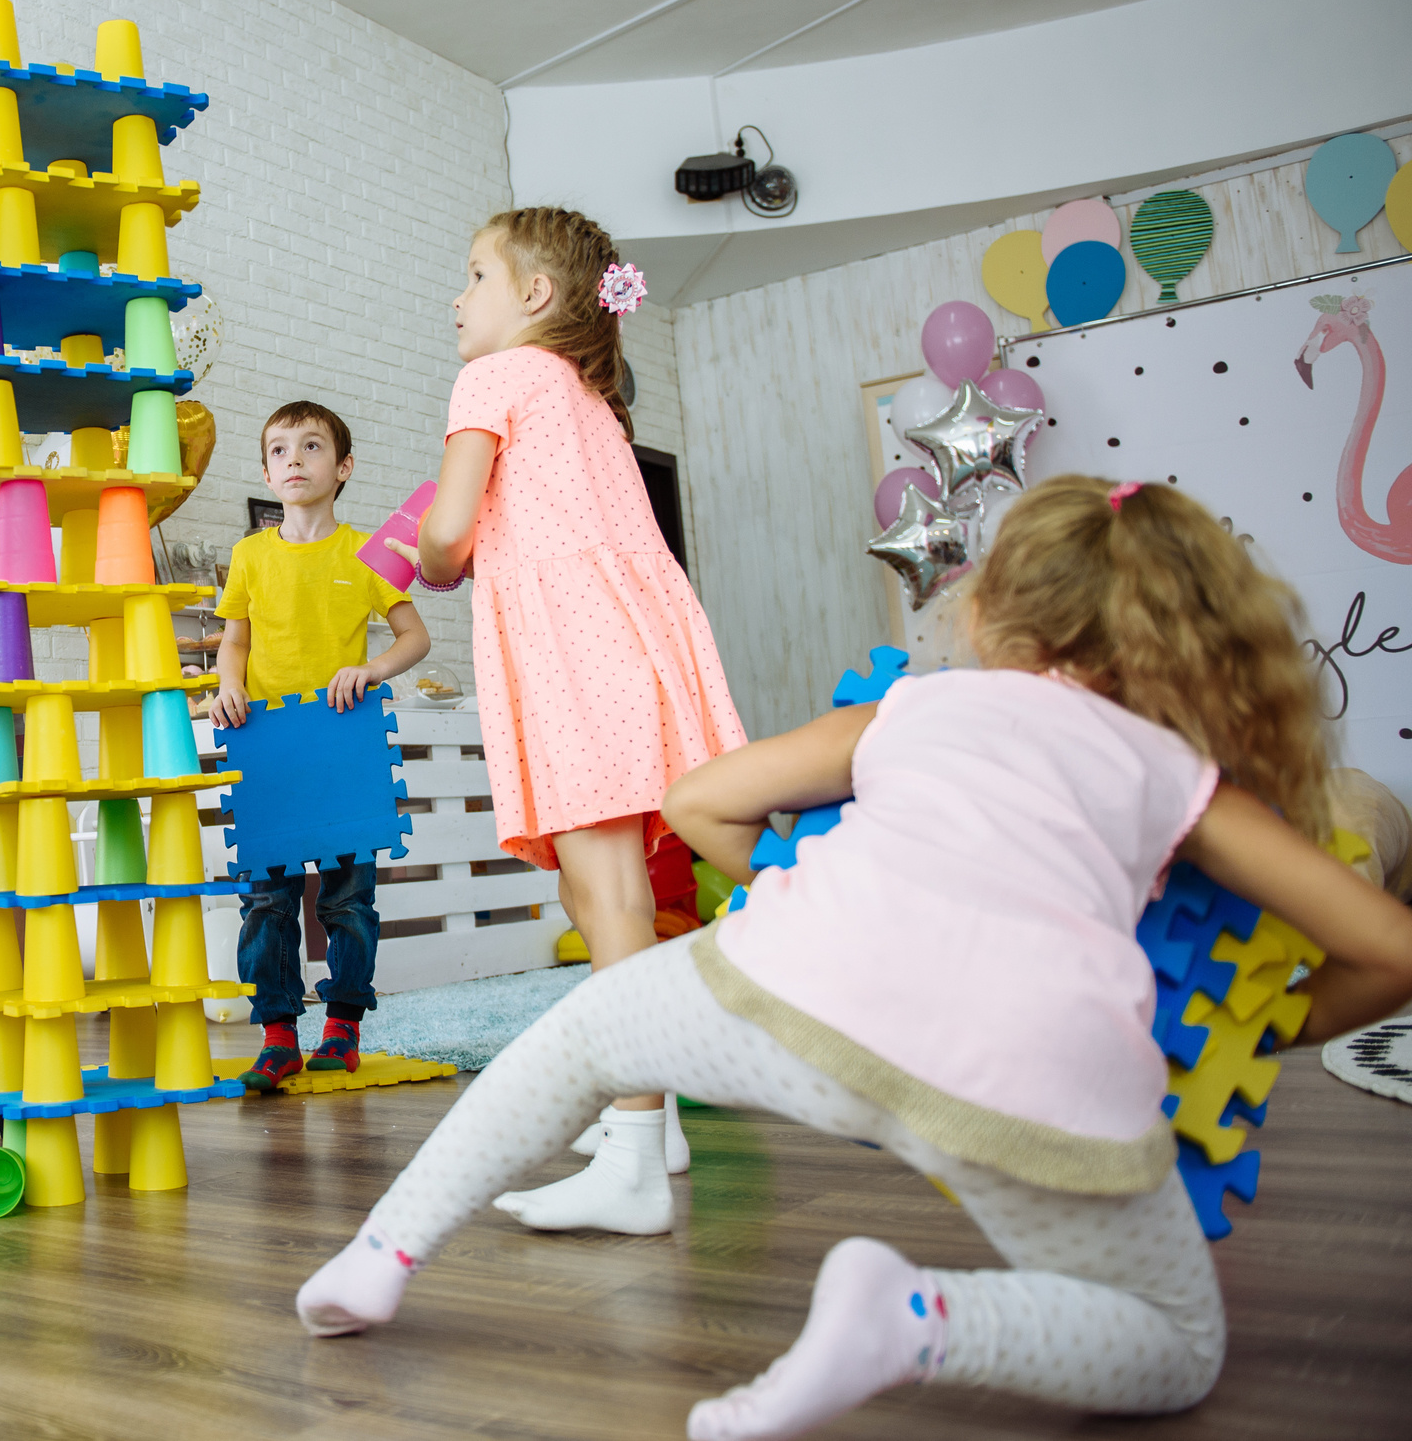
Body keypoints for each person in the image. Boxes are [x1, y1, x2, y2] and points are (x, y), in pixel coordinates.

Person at [298, 477, 1412, 1439]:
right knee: (1177, 1341)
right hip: (1028, 1068)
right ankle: (914, 1319)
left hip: (794, 984)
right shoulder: (1181, 778)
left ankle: (379, 1254)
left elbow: (697, 800)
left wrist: (792, 883)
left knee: (581, 1036)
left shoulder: (915, 705)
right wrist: (1276, 1024)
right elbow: (1388, 946)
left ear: (990, 610)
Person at [379, 207, 745, 1232]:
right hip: (634, 639)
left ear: (535, 294)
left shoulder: (493, 377)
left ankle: (632, 1158)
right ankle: (655, 1117)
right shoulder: (591, 399)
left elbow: (448, 534)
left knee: (607, 892)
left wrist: (424, 553)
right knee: (608, 888)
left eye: (475, 275)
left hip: (572, 650)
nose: (458, 298)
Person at [210, 401, 429, 1089]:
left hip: (343, 740)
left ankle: (342, 1026)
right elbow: (235, 640)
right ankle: (278, 1035)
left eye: (311, 446)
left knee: (347, 902)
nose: (294, 460)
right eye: (279, 450)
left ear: (343, 467)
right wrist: (228, 683)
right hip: (266, 746)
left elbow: (415, 636)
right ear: (266, 473)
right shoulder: (249, 555)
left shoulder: (367, 554)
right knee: (266, 902)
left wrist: (372, 669)